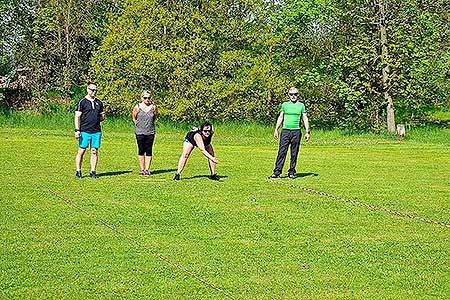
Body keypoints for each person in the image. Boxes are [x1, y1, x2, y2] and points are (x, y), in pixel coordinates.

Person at [269, 87, 310, 179]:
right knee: (282, 152)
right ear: (288, 95)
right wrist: (276, 129)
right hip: (285, 131)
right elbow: (280, 117)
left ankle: (291, 171)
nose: (293, 96)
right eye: (291, 94)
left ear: (298, 95)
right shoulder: (285, 105)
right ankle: (277, 172)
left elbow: (305, 118)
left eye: (295, 94)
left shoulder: (301, 106)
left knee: (294, 153)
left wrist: (307, 132)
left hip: (296, 131)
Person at [74, 82, 106, 179]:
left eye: (96, 90)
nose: (94, 92)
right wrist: (77, 130)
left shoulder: (99, 103)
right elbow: (77, 116)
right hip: (84, 131)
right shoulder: (82, 102)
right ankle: (78, 171)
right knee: (81, 151)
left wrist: (101, 117)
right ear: (87, 89)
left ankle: (93, 171)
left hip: (96, 131)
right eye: (92, 90)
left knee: (94, 151)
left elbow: (102, 116)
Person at [132, 90, 158, 175]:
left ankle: (147, 169)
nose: (147, 99)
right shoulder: (137, 107)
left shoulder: (154, 107)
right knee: (141, 149)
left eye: (149, 98)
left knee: (149, 150)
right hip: (139, 132)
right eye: (145, 98)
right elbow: (134, 118)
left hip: (150, 132)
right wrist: (139, 126)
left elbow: (154, 117)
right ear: (142, 98)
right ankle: (142, 169)